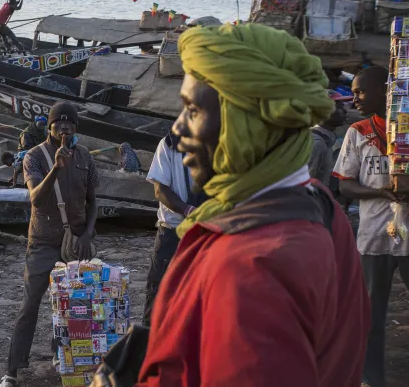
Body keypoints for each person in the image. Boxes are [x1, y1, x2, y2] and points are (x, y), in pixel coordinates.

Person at [136, 24, 369, 386]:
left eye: (192, 110)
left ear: (244, 123)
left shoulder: (250, 268)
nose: (178, 131)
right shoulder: (318, 205)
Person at [0, 102, 99, 387]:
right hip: (43, 241)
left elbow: (93, 201)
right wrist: (56, 167)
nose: (64, 129)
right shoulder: (35, 156)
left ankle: (64, 358)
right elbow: (36, 199)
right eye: (59, 124)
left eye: (70, 125)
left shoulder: (84, 157)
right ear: (49, 126)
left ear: (76, 128)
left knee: (74, 306)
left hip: (76, 242)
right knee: (29, 305)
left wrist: (88, 233)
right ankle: (12, 371)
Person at [333, 66, 404, 387]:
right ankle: (371, 378)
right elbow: (345, 186)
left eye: (362, 91)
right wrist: (379, 191)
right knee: (371, 315)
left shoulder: (403, 132)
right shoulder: (358, 132)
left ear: (385, 91)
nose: (355, 97)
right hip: (374, 236)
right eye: (355, 91)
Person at [141, 132, 204, 326]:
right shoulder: (169, 144)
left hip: (208, 232)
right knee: (157, 293)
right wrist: (187, 209)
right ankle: (148, 346)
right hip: (173, 230)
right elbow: (160, 190)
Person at [308, 89, 351, 186]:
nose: (344, 110)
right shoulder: (317, 143)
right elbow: (305, 186)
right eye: (339, 106)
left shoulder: (325, 140)